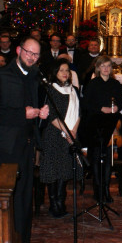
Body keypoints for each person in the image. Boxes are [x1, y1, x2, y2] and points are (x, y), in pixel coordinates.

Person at [0, 36, 49, 243]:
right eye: (29, 52)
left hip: (26, 145)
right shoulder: (1, 76)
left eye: (36, 54)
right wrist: (23, 113)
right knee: (6, 196)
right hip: (5, 147)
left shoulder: (35, 77)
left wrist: (40, 114)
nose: (32, 57)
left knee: (24, 197)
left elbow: (32, 111)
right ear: (19, 51)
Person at [39, 59, 82, 218]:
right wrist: (67, 132)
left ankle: (61, 202)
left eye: (67, 70)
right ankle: (53, 204)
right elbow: (51, 115)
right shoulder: (50, 89)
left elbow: (79, 113)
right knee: (53, 170)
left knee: (64, 169)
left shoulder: (74, 90)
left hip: (71, 135)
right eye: (61, 70)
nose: (65, 73)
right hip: (54, 134)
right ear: (55, 73)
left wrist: (74, 131)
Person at [82, 56, 122, 203]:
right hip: (95, 126)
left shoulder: (116, 84)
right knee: (95, 158)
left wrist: (118, 107)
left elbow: (120, 102)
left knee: (108, 160)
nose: (106, 69)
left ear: (111, 68)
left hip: (110, 126)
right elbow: (85, 104)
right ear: (98, 68)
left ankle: (106, 189)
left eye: (108, 66)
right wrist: (101, 108)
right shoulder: (93, 84)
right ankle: (97, 189)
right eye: (103, 66)